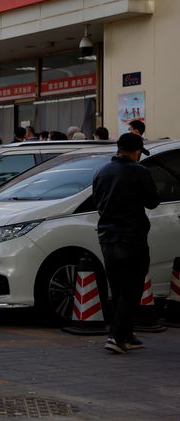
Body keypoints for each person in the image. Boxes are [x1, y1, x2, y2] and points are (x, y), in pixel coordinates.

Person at [92, 133, 159, 354]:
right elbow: (153, 202)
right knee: (132, 289)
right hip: (132, 238)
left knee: (119, 288)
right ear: (136, 151)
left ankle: (127, 335)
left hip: (107, 237)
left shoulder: (102, 172)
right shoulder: (140, 171)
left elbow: (97, 201)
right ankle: (116, 336)